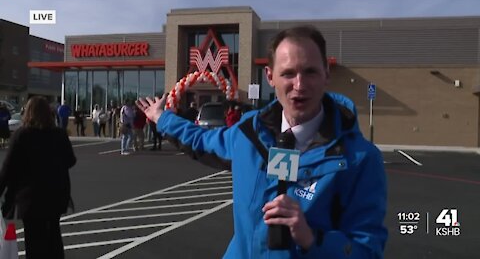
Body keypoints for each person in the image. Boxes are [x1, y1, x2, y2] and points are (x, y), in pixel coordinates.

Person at [137, 25, 387, 258]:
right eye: (288, 73)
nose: (299, 85)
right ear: (270, 77)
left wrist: (312, 239)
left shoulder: (360, 159)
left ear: (326, 74)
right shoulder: (248, 135)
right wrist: (161, 118)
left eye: (310, 71)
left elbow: (368, 248)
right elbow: (200, 140)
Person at [0, 96, 76, 258]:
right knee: (54, 236)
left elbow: (8, 168)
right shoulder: (59, 134)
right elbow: (71, 160)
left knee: (34, 240)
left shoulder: (22, 135)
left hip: (30, 196)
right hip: (56, 193)